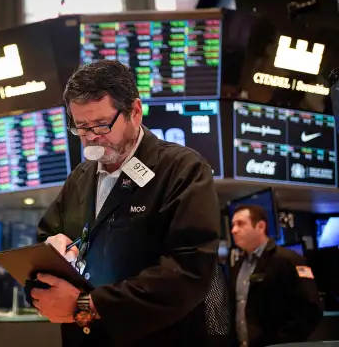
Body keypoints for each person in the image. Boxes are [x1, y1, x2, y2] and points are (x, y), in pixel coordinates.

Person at [32, 60, 229, 346]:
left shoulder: (182, 169)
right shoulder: (80, 176)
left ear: (134, 112)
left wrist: (87, 304)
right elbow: (45, 239)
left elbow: (187, 272)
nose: (92, 139)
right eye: (81, 127)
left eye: (101, 125)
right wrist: (52, 249)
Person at [230, 204, 323, 347]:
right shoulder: (238, 265)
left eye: (240, 224)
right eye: (233, 225)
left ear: (260, 226)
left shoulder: (288, 260)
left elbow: (310, 309)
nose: (234, 230)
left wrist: (281, 343)